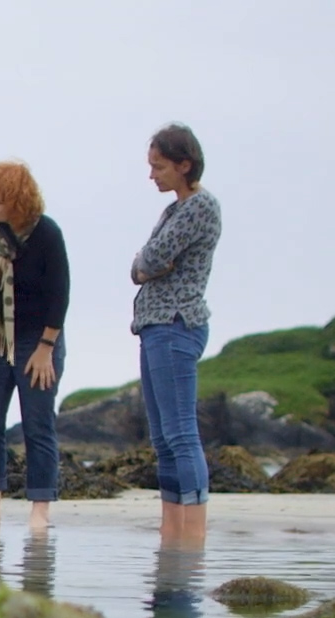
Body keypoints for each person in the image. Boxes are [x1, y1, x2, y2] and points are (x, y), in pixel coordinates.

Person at [0, 161, 70, 532]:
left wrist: (46, 349)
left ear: (18, 199)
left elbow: (60, 294)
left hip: (39, 338)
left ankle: (40, 509)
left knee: (37, 424)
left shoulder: (47, 234)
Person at [131, 123, 223, 543]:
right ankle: (172, 530)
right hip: (154, 326)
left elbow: (153, 256)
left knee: (181, 432)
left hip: (175, 324)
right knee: (163, 437)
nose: (152, 175)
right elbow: (141, 267)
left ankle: (193, 531)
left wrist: (147, 265)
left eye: (160, 166)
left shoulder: (199, 208)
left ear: (184, 164)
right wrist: (146, 266)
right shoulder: (173, 209)